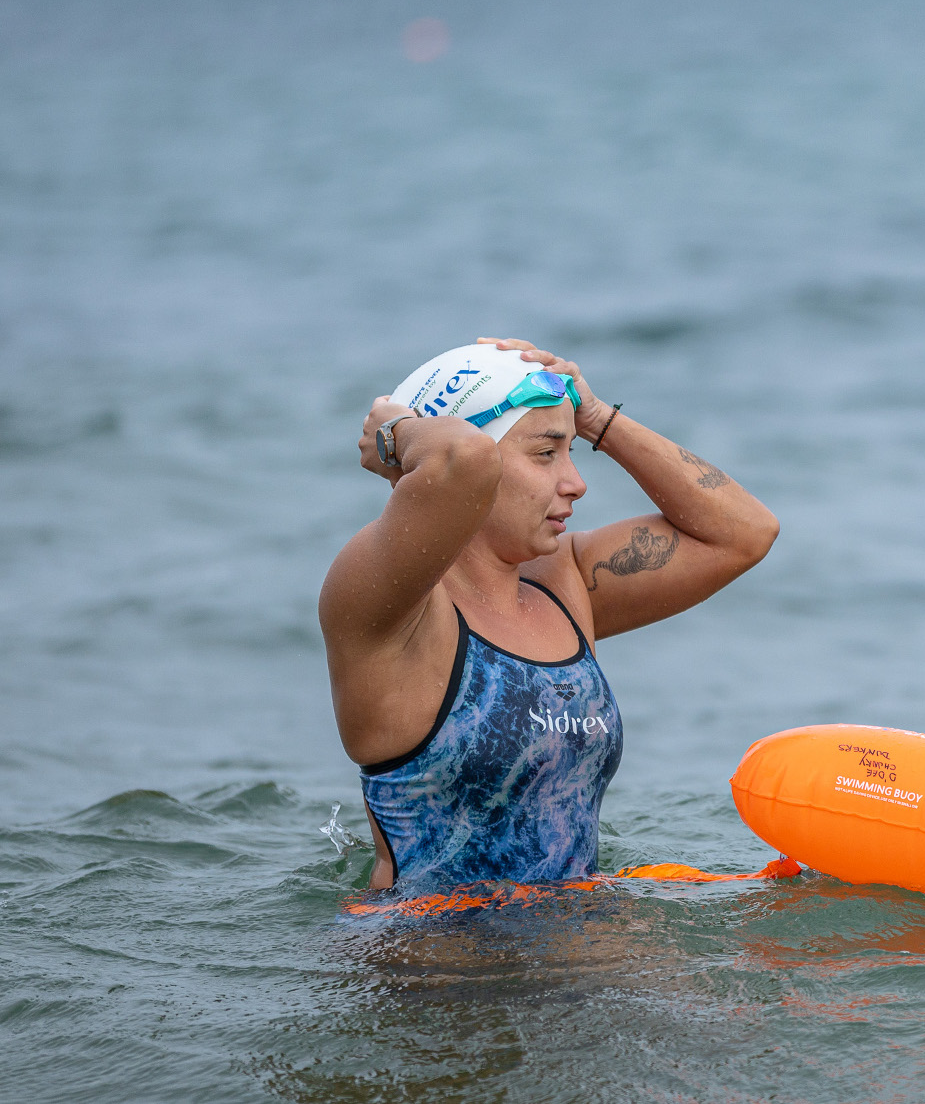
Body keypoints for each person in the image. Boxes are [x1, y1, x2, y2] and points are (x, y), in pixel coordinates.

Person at [319, 338, 779, 892]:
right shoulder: (387, 608)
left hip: (572, 943)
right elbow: (459, 459)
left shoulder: (566, 584)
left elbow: (745, 533)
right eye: (544, 454)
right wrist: (395, 434)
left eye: (572, 453)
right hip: (438, 964)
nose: (576, 483)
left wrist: (598, 419)